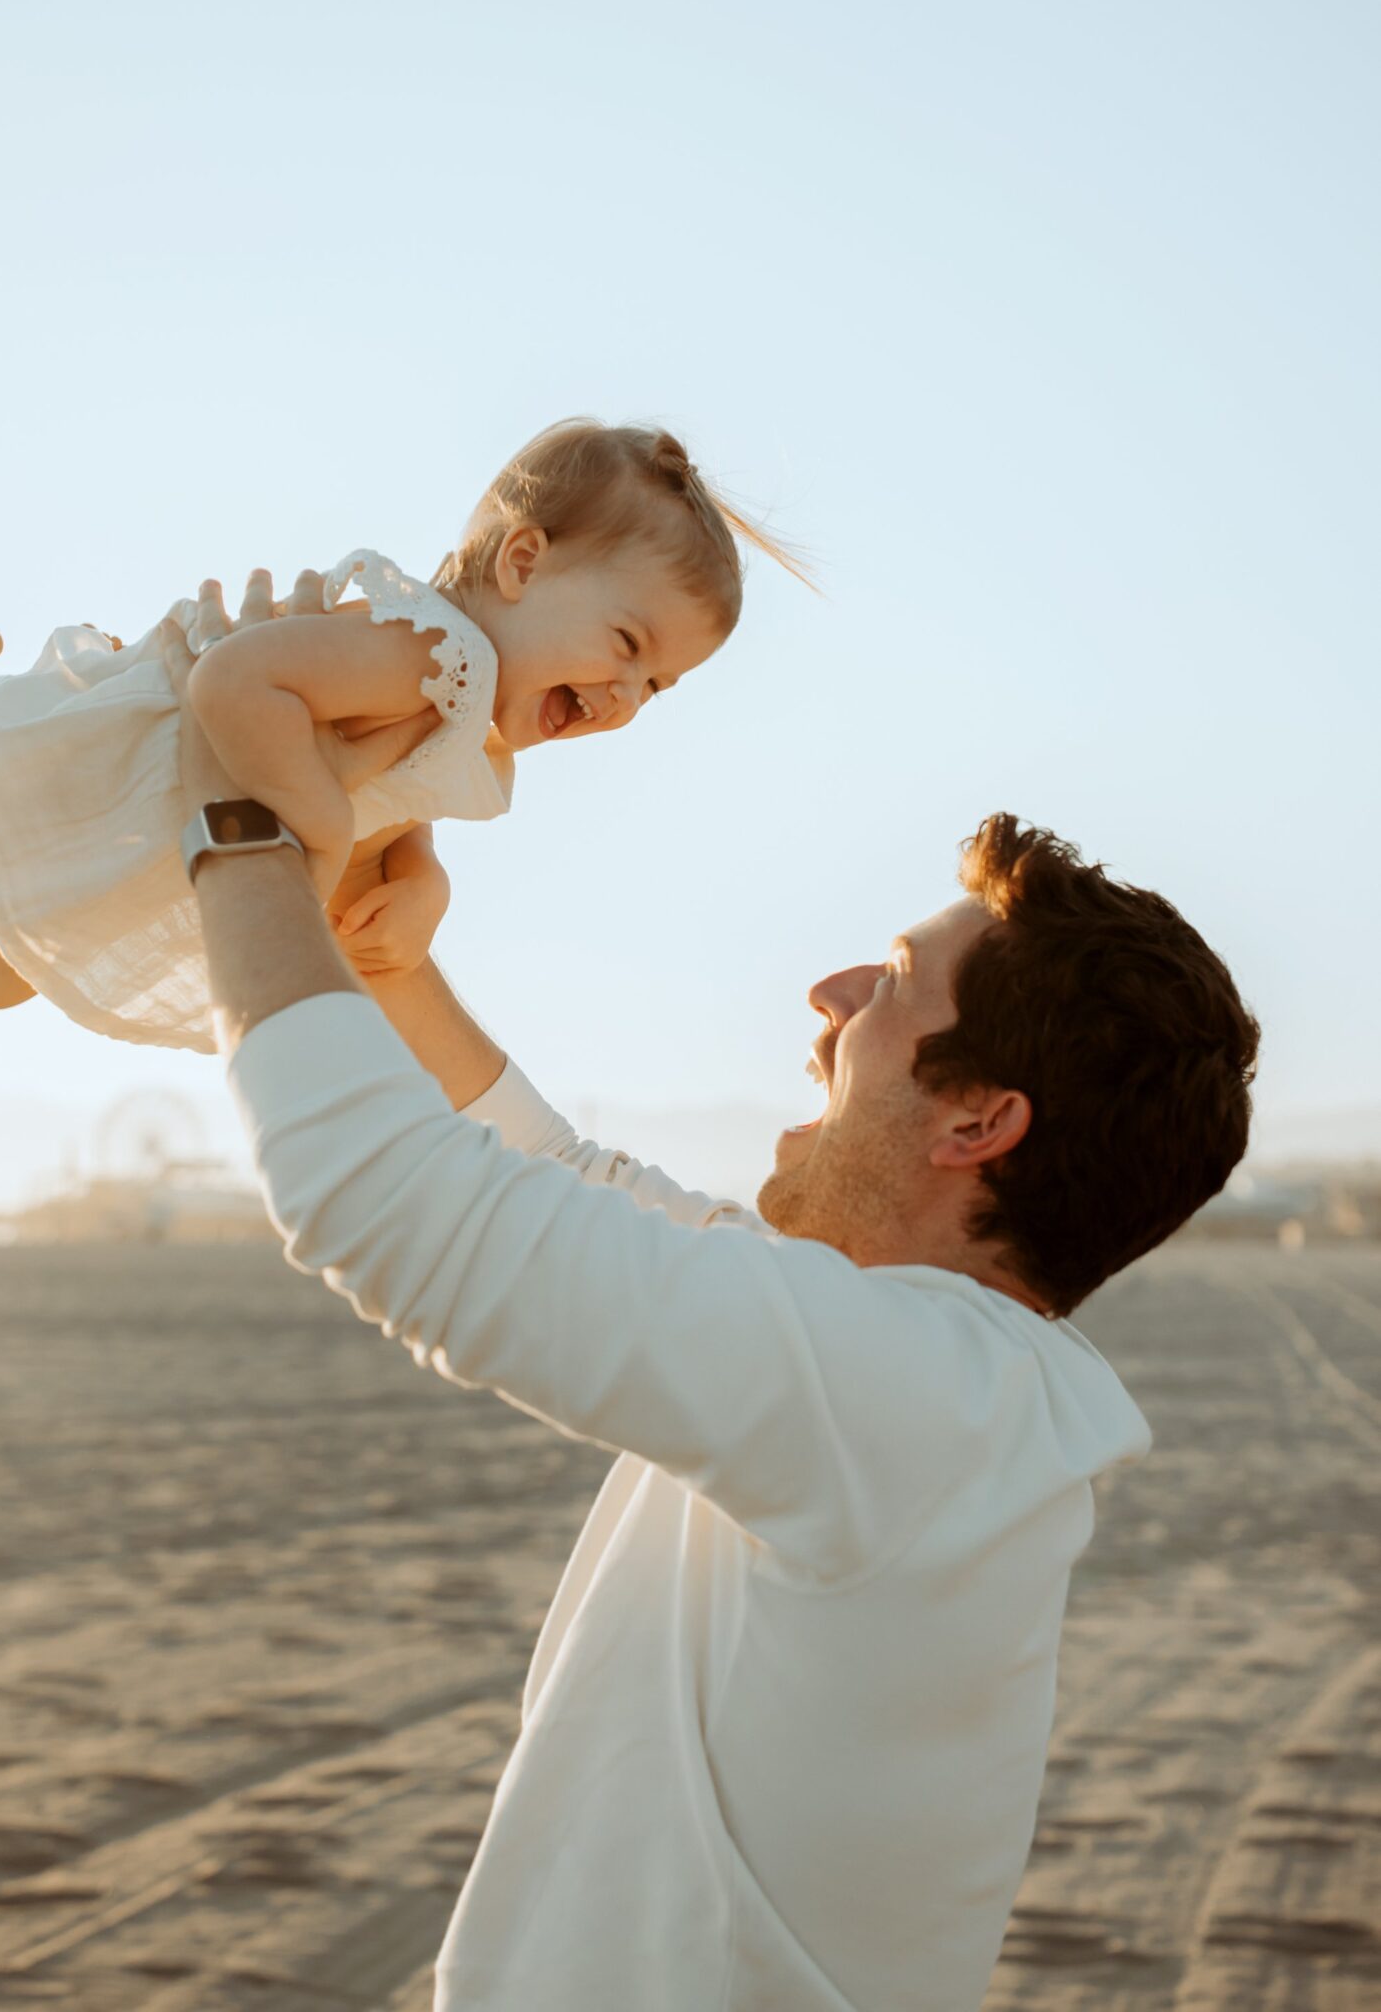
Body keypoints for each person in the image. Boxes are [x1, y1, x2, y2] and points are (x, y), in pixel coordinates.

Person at [161, 569, 1259, 2012]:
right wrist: (390, 968)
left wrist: (229, 809)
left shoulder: (916, 1398)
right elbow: (563, 1181)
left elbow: (393, 1205)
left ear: (976, 1123)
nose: (826, 997)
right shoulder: (936, 1381)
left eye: (888, 984)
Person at [0, 420, 803, 1049]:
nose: (626, 692)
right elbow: (237, 679)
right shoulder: (430, 652)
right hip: (77, 754)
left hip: (118, 838)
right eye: (625, 643)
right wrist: (309, 814)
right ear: (523, 564)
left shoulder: (467, 717)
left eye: (657, 685)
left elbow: (399, 805)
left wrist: (424, 882)